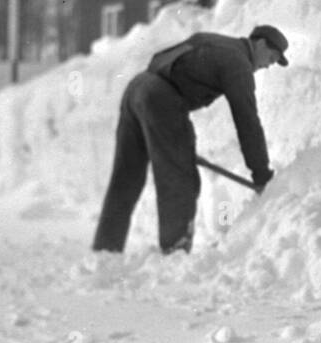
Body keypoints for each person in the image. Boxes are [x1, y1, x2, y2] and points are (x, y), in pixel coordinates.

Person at [92, 24, 288, 255]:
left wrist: (172, 138)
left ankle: (106, 248)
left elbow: (161, 60)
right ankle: (175, 252)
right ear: (261, 43)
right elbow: (247, 120)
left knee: (127, 175)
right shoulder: (238, 63)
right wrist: (261, 172)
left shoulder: (215, 40)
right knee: (180, 178)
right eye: (271, 58)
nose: (267, 65)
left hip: (137, 88)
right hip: (161, 99)